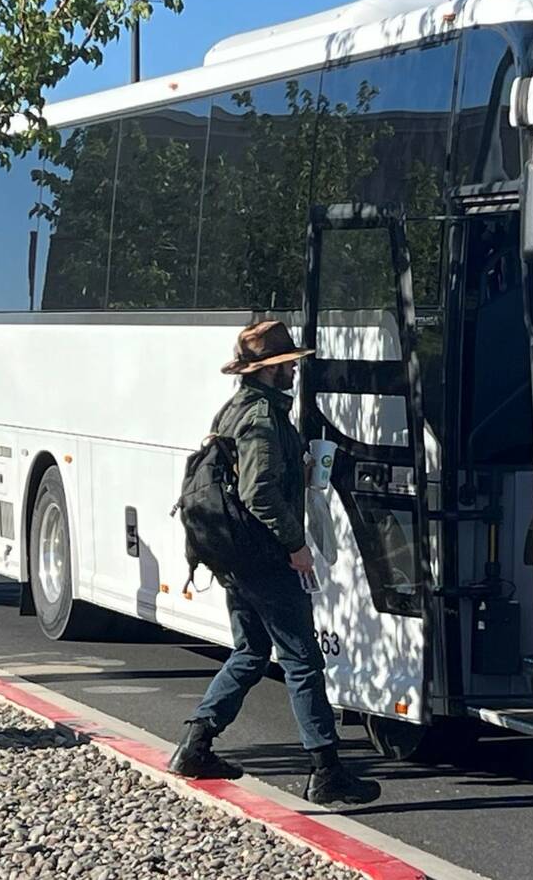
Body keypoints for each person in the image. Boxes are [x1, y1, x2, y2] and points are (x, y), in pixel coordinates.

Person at [167, 320, 381, 806]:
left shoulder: (238, 409)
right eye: (286, 365)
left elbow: (251, 473)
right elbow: (257, 489)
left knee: (249, 652)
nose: (292, 372)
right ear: (268, 370)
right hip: (264, 555)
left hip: (234, 553)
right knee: (302, 659)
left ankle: (195, 744)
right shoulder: (262, 416)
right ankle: (325, 769)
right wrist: (295, 545)